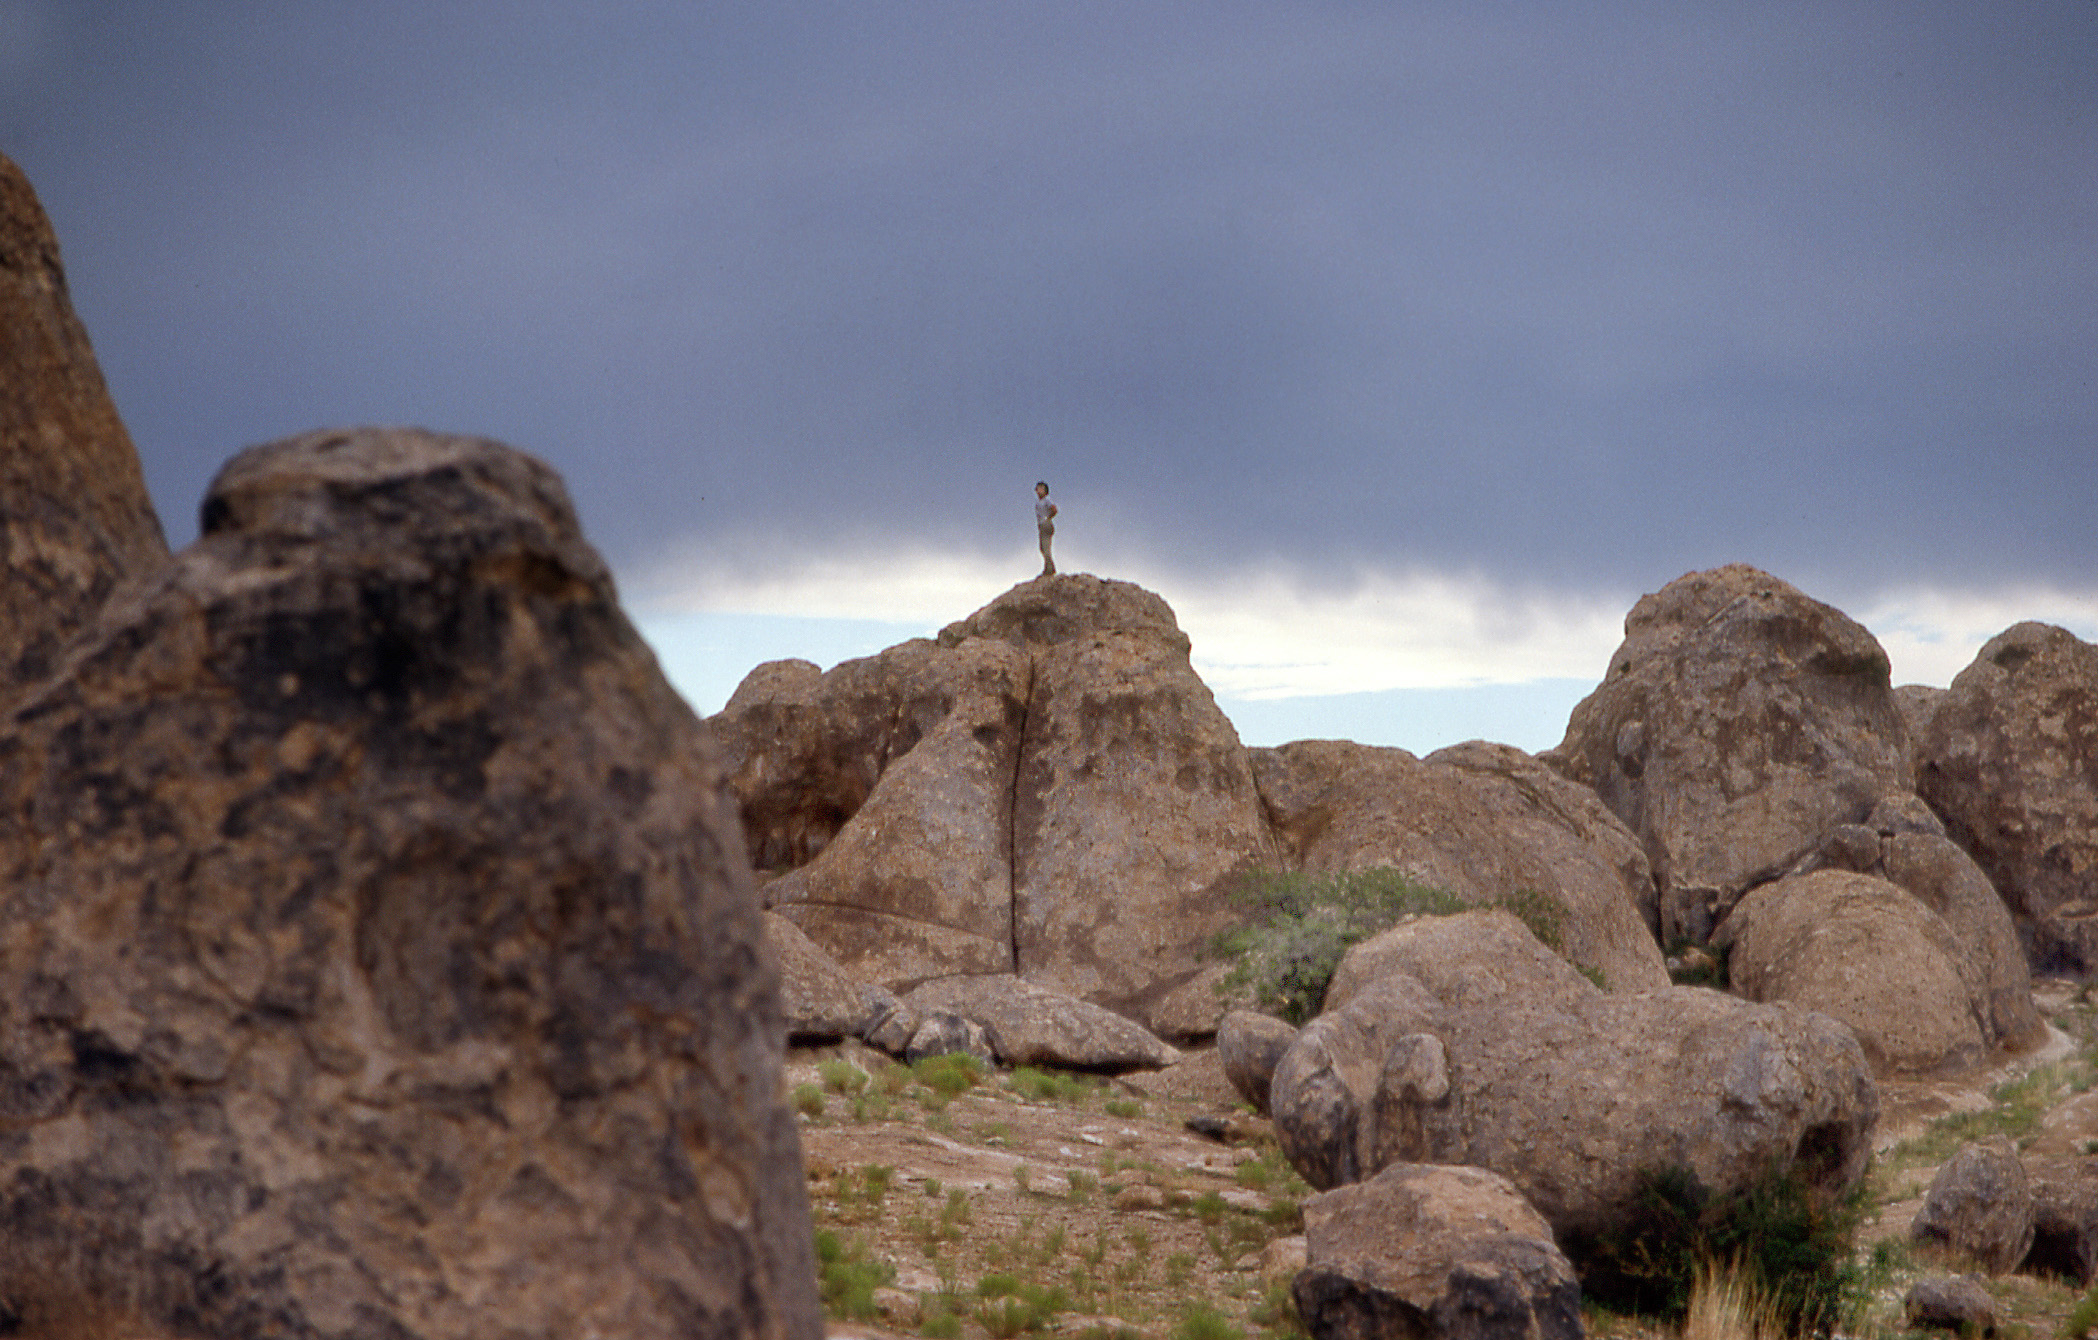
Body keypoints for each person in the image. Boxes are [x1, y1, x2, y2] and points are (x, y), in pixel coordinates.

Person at [1033, 481, 1058, 577]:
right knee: (1042, 548)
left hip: (1046, 524)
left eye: (1040, 488)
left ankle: (1050, 569)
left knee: (1045, 547)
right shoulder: (1038, 501)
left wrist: (1048, 518)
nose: (1038, 491)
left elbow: (1054, 509)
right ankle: (1048, 566)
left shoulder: (1047, 500)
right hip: (1041, 525)